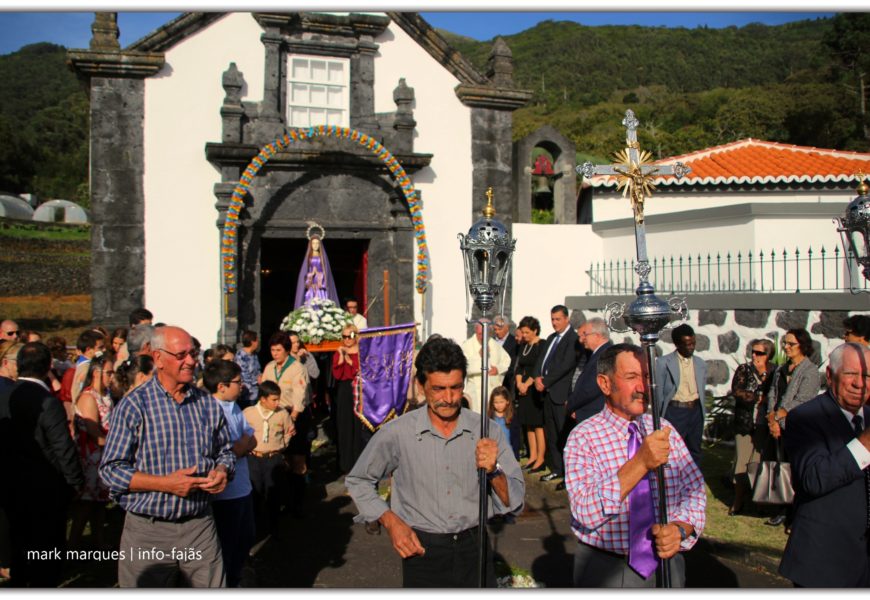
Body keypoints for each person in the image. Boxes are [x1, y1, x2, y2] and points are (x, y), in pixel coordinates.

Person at [345, 336, 524, 588]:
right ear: (421, 386)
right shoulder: (397, 432)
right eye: (439, 389)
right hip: (422, 552)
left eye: (456, 387)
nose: (449, 398)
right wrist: (390, 521)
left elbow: (513, 502)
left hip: (475, 549)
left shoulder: (486, 430)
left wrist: (495, 472)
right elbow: (359, 480)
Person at [99, 325, 236, 588]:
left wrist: (222, 470)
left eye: (193, 353)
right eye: (181, 354)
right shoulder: (134, 405)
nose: (191, 361)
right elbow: (111, 470)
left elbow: (226, 451)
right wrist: (165, 484)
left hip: (200, 525)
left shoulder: (206, 403)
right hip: (149, 531)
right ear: (158, 359)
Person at [564, 343, 706, 588]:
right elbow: (585, 510)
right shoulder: (584, 437)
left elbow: (695, 491)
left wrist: (679, 530)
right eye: (631, 377)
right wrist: (640, 462)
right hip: (608, 567)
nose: (643, 387)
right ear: (605, 384)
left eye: (646, 377)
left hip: (667, 563)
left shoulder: (663, 429)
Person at [778, 342, 870, 587]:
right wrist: (864, 445)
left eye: (867, 375)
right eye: (851, 374)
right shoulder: (806, 417)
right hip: (824, 565)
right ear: (830, 375)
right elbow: (813, 478)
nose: (859, 383)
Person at [0, 342, 84, 587]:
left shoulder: (7, 394)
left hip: (12, 484)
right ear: (48, 367)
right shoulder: (46, 401)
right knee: (46, 553)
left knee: (19, 546)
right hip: (44, 488)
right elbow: (63, 447)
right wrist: (75, 483)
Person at [203, 359, 256, 588]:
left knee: (245, 538)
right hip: (226, 494)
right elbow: (229, 450)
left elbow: (251, 439)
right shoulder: (211, 410)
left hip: (243, 487)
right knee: (227, 545)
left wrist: (241, 446)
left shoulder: (233, 406)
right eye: (237, 382)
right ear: (221, 386)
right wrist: (241, 446)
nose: (241, 385)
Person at [764, 327, 821, 528]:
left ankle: (795, 514)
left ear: (802, 345)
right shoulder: (781, 369)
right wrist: (771, 417)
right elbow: (772, 393)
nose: (786, 347)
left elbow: (803, 400)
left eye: (791, 344)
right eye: (785, 343)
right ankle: (780, 508)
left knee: (795, 470)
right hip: (777, 425)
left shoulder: (810, 371)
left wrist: (778, 419)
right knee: (779, 467)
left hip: (796, 428)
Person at [68, 354, 115, 550]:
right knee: (85, 505)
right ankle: (72, 546)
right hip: (91, 457)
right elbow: (95, 433)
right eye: (109, 373)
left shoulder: (106, 395)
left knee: (99, 504)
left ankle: (98, 541)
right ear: (97, 373)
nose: (112, 377)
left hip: (103, 455)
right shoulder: (88, 397)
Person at [261, 331, 310, 517]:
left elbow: (300, 395)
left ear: (286, 350)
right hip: (274, 415)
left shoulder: (297, 367)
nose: (275, 354)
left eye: (278, 350)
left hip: (293, 414)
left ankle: (297, 503)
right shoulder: (269, 367)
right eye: (272, 350)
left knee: (297, 459)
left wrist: (293, 419)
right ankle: (281, 498)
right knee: (280, 459)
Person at [728, 338, 775, 516]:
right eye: (753, 351)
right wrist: (757, 398)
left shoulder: (773, 372)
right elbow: (737, 391)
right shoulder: (744, 370)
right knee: (742, 464)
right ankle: (738, 500)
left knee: (758, 465)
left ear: (768, 354)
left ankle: (759, 502)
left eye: (760, 353)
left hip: (764, 425)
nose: (755, 355)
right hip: (745, 424)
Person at [533, 305, 579, 486]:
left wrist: (546, 381)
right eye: (552, 319)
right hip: (547, 395)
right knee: (551, 434)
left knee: (563, 434)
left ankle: (569, 474)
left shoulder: (572, 339)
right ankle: (557, 469)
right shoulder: (551, 338)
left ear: (566, 319)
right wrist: (537, 376)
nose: (554, 323)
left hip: (561, 394)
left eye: (558, 319)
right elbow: (541, 361)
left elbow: (566, 364)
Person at [244, 380, 295, 541]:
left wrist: (282, 446)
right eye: (273, 399)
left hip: (274, 458)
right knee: (255, 493)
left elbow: (289, 431)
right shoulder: (249, 413)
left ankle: (274, 528)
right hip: (254, 457)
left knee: (273, 493)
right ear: (263, 399)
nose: (277, 403)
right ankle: (255, 529)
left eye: (278, 399)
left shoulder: (282, 414)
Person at [655, 323, 707, 467]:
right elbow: (658, 392)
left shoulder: (700, 363)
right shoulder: (663, 363)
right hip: (675, 411)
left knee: (695, 449)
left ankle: (694, 481)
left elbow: (702, 389)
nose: (691, 347)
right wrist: (658, 417)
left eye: (693, 343)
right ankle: (672, 481)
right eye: (687, 344)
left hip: (695, 410)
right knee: (673, 449)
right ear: (677, 344)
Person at [566, 318, 613, 427]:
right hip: (587, 412)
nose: (583, 339)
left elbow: (591, 388)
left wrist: (571, 405)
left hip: (593, 414)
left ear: (597, 335)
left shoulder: (604, 355)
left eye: (586, 334)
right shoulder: (597, 354)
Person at [514, 316, 546, 473]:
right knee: (528, 424)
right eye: (523, 332)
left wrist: (527, 384)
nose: (524, 335)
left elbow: (538, 368)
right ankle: (532, 456)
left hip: (534, 388)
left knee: (537, 424)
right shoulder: (523, 346)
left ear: (535, 330)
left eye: (527, 332)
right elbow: (520, 367)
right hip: (523, 388)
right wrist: (519, 383)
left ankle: (541, 458)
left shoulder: (542, 345)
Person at [461, 322, 511, 413]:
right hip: (475, 390)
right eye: (480, 334)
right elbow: (464, 367)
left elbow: (506, 360)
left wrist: (498, 369)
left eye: (486, 334)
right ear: (476, 331)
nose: (483, 337)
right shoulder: (466, 346)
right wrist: (479, 356)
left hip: (492, 390)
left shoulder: (494, 344)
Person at [333, 324, 363, 474]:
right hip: (345, 390)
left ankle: (360, 460)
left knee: (358, 425)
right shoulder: (339, 352)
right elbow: (337, 373)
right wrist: (342, 357)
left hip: (359, 389)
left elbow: (360, 369)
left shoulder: (361, 351)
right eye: (344, 336)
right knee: (344, 424)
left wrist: (349, 360)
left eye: (350, 336)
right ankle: (346, 463)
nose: (347, 339)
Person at [293, 230, 339, 308]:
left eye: (317, 243)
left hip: (320, 287)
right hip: (312, 287)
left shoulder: (322, 257)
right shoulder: (309, 257)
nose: (315, 245)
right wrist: (311, 274)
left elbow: (326, 272)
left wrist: (318, 274)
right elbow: (305, 274)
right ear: (310, 244)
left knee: (321, 303)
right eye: (313, 243)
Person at [488, 386, 520, 459]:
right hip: (494, 454)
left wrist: (516, 456)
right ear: (492, 403)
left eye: (501, 402)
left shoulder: (512, 417)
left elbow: (516, 438)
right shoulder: (490, 417)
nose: (499, 405)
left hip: (508, 453)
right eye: (496, 402)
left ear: (507, 401)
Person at [234, 329, 261, 409]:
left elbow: (257, 370)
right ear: (253, 342)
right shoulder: (241, 356)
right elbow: (244, 376)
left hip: (256, 393)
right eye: (257, 340)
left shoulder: (254, 355)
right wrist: (257, 381)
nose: (258, 343)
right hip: (247, 396)